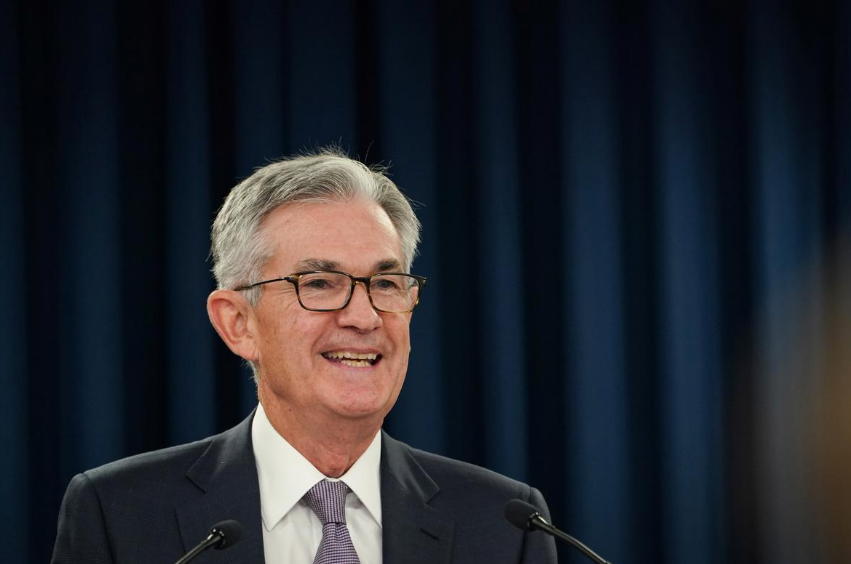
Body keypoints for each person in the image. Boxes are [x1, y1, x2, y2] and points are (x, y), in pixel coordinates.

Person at [51, 149, 557, 564]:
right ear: (238, 323)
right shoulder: (118, 514)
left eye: (385, 283)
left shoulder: (506, 524)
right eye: (318, 283)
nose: (364, 317)